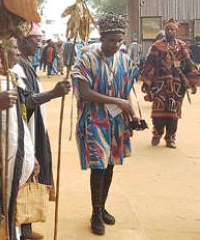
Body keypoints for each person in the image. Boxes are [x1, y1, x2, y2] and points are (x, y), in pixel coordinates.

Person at [72, 12, 139, 236]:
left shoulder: (125, 60)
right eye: (113, 40)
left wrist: (133, 115)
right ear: (102, 38)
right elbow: (85, 92)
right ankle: (95, 212)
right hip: (95, 120)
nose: (117, 44)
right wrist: (117, 101)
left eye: (121, 40)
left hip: (116, 121)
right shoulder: (87, 59)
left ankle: (103, 207)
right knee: (99, 166)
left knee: (110, 165)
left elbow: (126, 92)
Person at [14, 23, 71, 240]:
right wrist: (53, 93)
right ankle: (20, 229)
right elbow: (25, 102)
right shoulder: (17, 67)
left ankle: (25, 227)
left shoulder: (26, 63)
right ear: (24, 40)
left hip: (37, 126)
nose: (40, 45)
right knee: (25, 176)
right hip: (26, 130)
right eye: (36, 41)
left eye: (40, 40)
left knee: (33, 176)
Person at [0, 38, 35, 240]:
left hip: (17, 157)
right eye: (15, 47)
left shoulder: (11, 78)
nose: (18, 52)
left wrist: (30, 154)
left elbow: (21, 120)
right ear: (0, 50)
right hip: (0, 163)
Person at [140, 19, 200, 149]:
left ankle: (170, 138)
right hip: (160, 83)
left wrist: (193, 81)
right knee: (158, 110)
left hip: (177, 85)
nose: (170, 31)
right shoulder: (156, 46)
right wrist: (147, 82)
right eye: (168, 29)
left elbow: (189, 64)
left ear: (176, 31)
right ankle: (157, 133)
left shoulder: (182, 46)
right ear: (165, 30)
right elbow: (149, 63)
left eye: (172, 29)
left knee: (174, 112)